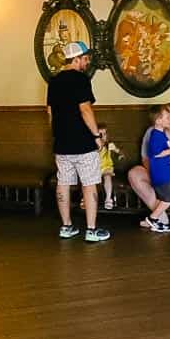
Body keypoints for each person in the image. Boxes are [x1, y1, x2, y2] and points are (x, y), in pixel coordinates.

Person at [45, 42, 110, 243]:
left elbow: (49, 113)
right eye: (85, 58)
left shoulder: (53, 81)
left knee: (63, 183)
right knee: (89, 184)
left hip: (61, 143)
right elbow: (85, 110)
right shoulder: (81, 79)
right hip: (82, 142)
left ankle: (66, 227)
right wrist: (97, 137)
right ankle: (91, 230)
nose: (87, 62)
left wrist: (57, 134)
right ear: (76, 59)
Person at [139, 106, 170, 233]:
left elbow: (162, 146)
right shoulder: (155, 135)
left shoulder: (160, 134)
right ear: (158, 121)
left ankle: (149, 221)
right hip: (161, 173)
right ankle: (153, 218)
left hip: (164, 171)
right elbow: (155, 153)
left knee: (165, 197)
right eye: (167, 117)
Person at [96, 126, 121, 211]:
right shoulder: (92, 145)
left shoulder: (110, 145)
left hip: (106, 167)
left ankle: (108, 199)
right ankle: (85, 198)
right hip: (95, 168)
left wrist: (120, 154)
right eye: (100, 134)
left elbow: (118, 151)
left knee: (107, 177)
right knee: (88, 178)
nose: (103, 136)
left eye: (105, 134)